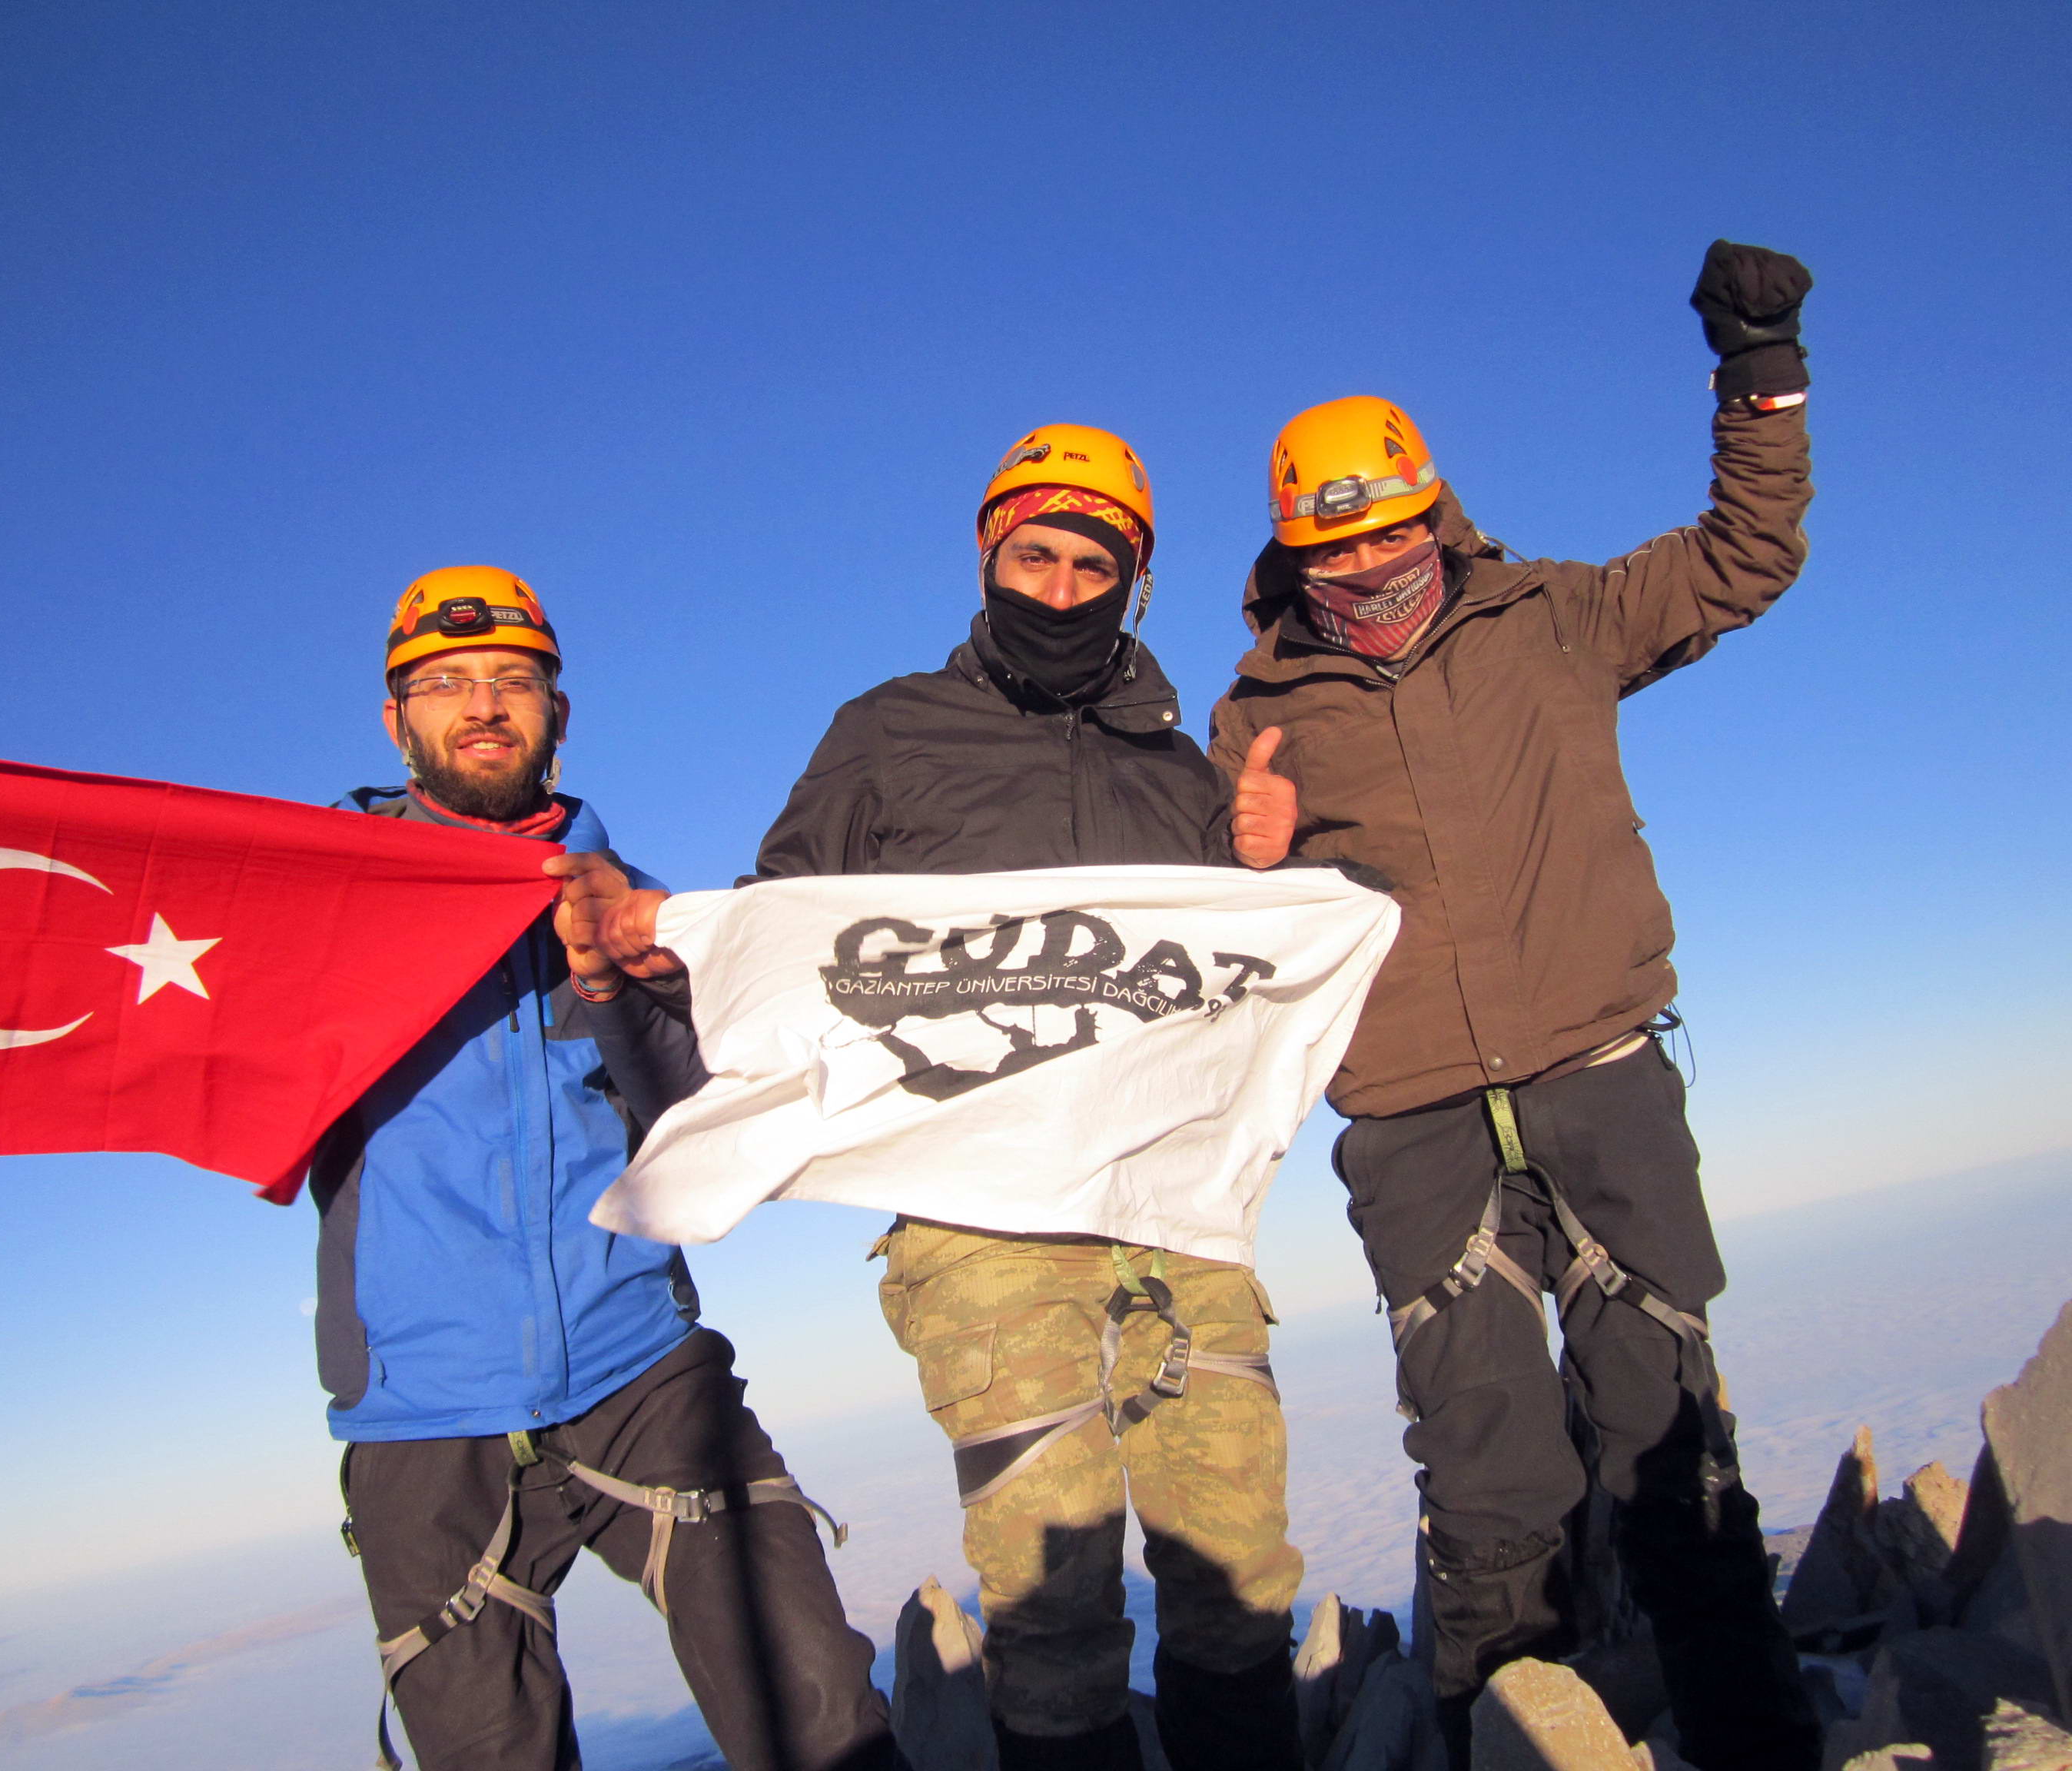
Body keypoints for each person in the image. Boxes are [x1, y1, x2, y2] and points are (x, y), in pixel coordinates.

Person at [606, 428, 1310, 1771]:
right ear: (989, 557)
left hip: (1170, 1214)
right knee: (1053, 1604)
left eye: (1092, 565)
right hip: (978, 1220)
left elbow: (1232, 983)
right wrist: (677, 951)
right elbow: (787, 925)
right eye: (1034, 556)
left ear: (1136, 580)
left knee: (1237, 1570)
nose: (1061, 588)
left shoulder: (1184, 771)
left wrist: (1264, 866)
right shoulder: (889, 732)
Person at [1206, 242, 1822, 1768]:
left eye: (1395, 529)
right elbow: (1224, 944)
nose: (1374, 565)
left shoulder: (1556, 616)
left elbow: (1744, 556)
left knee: (1672, 1453)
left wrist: (1760, 374)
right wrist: (1244, 858)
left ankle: (1755, 1747)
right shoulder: (1255, 714)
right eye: (1338, 546)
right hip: (1414, 1130)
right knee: (1489, 1496)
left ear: (1437, 510)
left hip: (1600, 1082)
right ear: (1291, 553)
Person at [313, 565, 894, 1771]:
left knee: (823, 1716)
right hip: (425, 1409)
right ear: (396, 721)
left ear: (557, 714)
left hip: (640, 1364)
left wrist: (623, 979)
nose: (483, 705)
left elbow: (702, 1119)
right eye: (446, 683)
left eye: (512, 681)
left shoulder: (638, 908)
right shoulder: (324, 904)